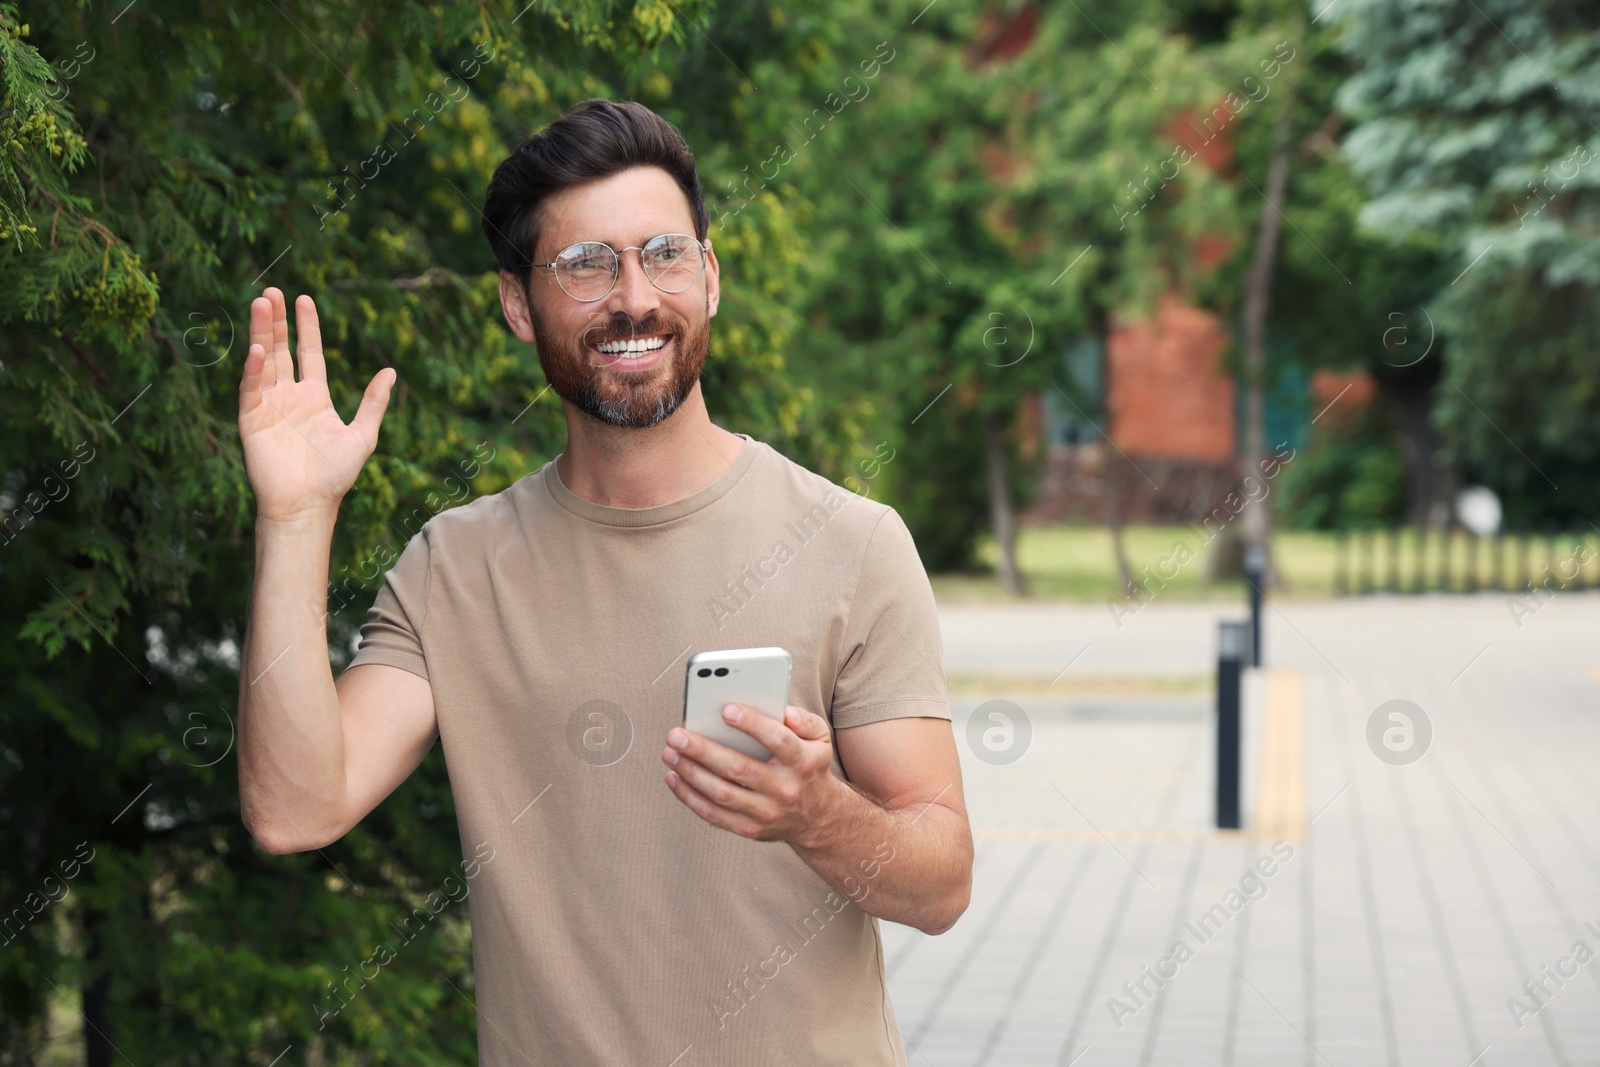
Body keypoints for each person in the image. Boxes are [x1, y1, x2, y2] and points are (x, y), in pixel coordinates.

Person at [236, 97, 972, 1066]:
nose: (634, 296)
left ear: (708, 278)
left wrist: (815, 811)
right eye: (586, 264)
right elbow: (296, 808)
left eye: (664, 253)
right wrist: (294, 521)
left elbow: (939, 885)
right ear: (515, 302)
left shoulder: (850, 542)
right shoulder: (455, 568)